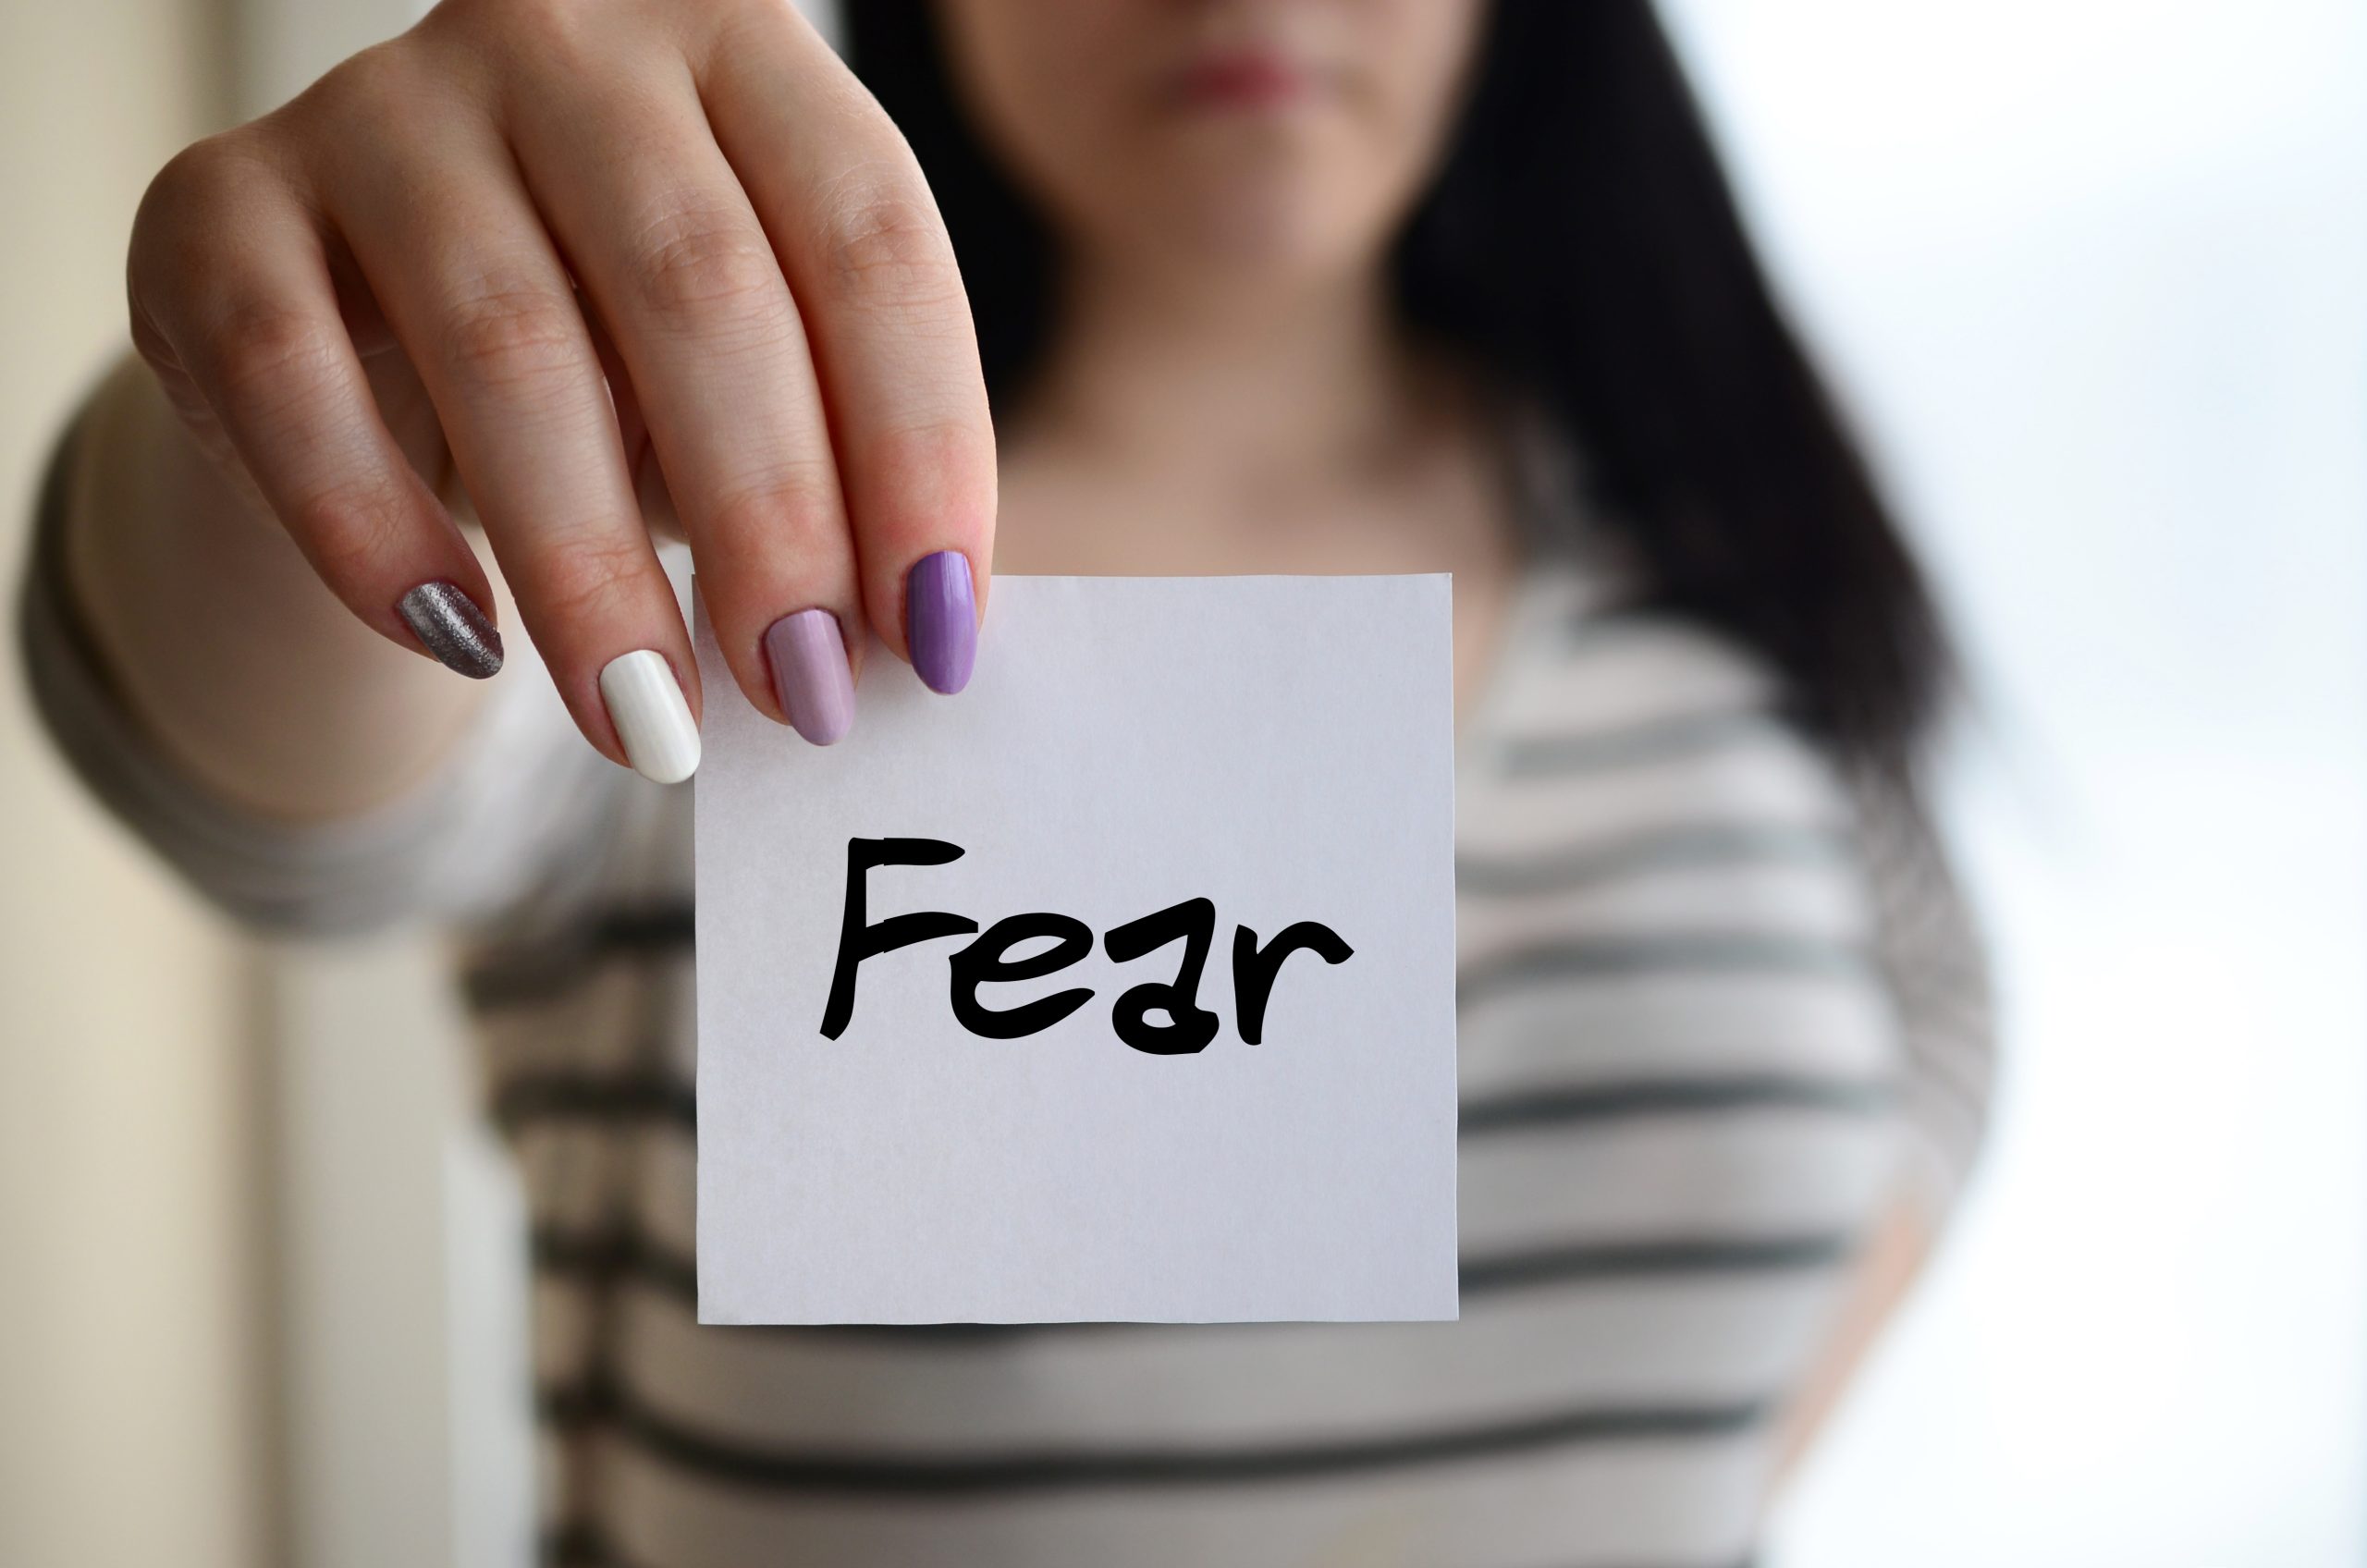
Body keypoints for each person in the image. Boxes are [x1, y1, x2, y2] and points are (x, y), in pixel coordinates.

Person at [19, 1, 1993, 1562]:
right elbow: (253, 785)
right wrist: (324, 369)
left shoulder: (1716, 531)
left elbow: (1933, 1017)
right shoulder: (665, 537)